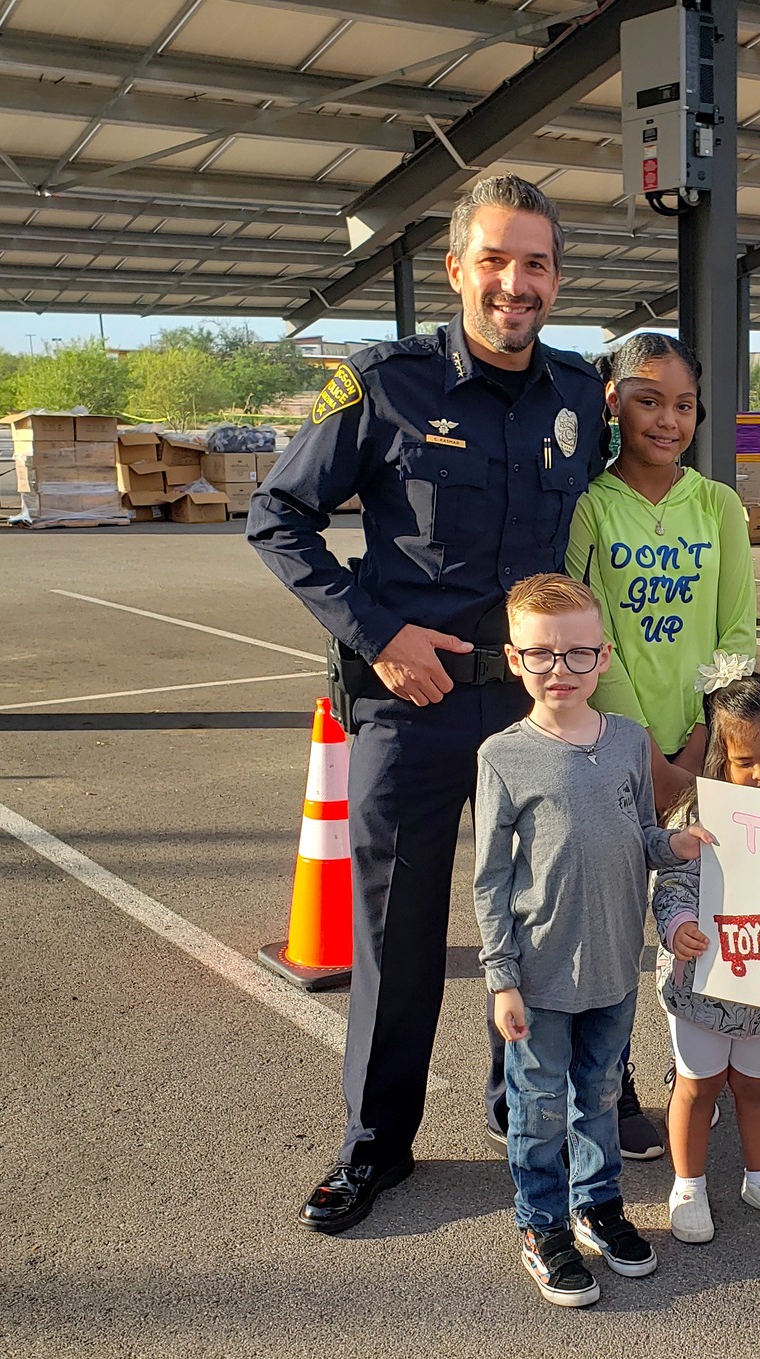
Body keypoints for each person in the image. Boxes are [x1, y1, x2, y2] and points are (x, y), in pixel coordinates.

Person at [247, 175, 606, 1236]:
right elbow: (278, 517)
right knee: (398, 937)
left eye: (534, 262)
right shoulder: (385, 386)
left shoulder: (578, 397)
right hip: (414, 708)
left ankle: (521, 1113)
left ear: (555, 278)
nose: (514, 282)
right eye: (494, 259)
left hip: (532, 715)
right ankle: (376, 1146)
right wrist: (378, 635)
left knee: (535, 932)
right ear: (456, 270)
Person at [474, 574, 710, 1305]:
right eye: (541, 656)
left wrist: (677, 847)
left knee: (600, 1094)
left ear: (604, 657)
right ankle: (540, 1223)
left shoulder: (629, 742)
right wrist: (501, 975)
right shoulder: (503, 756)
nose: (561, 672)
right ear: (514, 660)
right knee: (539, 1103)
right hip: (540, 976)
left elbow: (640, 836)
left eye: (579, 655)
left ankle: (596, 1205)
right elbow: (488, 878)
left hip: (614, 966)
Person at [653, 673, 760, 1243]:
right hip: (701, 980)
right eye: (743, 761)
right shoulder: (698, 815)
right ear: (719, 760)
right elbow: (671, 883)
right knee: (697, 1085)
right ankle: (688, 1184)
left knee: (757, 1085)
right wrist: (679, 927)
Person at [566, 331, 756, 819]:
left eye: (684, 406)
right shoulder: (588, 506)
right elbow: (590, 638)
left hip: (710, 742)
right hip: (609, 743)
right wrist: (647, 756)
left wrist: (700, 739)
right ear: (614, 400)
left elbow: (738, 630)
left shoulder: (718, 504)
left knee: (696, 891)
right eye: (649, 402)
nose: (668, 421)